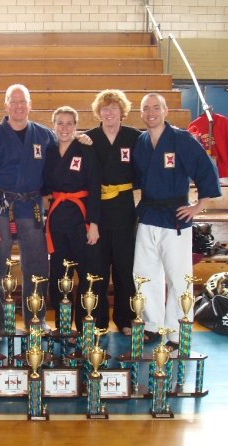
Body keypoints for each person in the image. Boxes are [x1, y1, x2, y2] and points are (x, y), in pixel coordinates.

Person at [132, 93, 221, 347]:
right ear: (141, 113)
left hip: (175, 218)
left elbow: (205, 169)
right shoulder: (141, 141)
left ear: (166, 110)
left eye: (156, 108)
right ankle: (152, 325)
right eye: (146, 108)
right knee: (145, 274)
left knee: (178, 277)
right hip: (148, 215)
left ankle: (176, 331)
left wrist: (198, 206)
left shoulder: (182, 139)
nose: (151, 112)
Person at [0, 84, 55, 331]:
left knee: (37, 266)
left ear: (30, 105)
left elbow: (64, 154)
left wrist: (80, 138)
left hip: (32, 208)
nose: (19, 106)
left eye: (23, 101)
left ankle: (35, 320)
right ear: (6, 104)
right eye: (13, 101)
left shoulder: (44, 135)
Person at [86, 89, 141, 334]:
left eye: (114, 108)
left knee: (123, 267)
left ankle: (125, 319)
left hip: (124, 209)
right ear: (99, 112)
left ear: (122, 112)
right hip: (97, 209)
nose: (109, 113)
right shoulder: (88, 139)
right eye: (105, 109)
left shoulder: (135, 138)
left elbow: (142, 174)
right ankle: (98, 320)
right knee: (97, 268)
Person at [43, 106, 101, 332]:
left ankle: (85, 325)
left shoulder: (86, 150)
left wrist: (94, 224)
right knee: (59, 273)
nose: (64, 128)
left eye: (69, 123)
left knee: (86, 273)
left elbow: (95, 188)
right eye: (60, 123)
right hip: (57, 219)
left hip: (81, 218)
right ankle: (63, 325)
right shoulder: (49, 152)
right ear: (53, 126)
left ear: (76, 126)